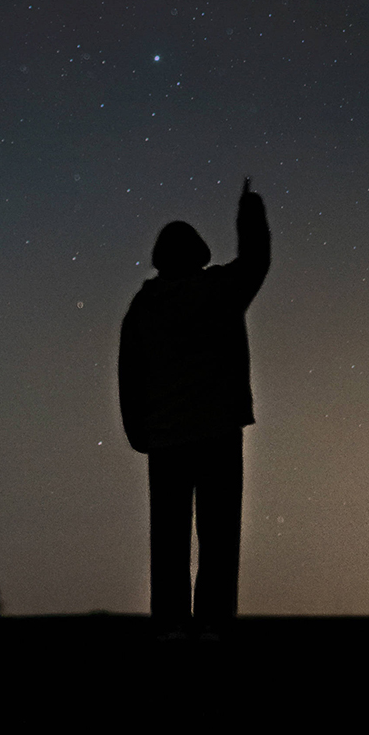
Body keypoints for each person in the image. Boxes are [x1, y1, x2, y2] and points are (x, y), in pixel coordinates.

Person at [118, 178, 271, 635]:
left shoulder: (143, 307)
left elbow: (129, 375)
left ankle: (170, 631)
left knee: (168, 546)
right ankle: (213, 631)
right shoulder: (220, 289)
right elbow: (257, 259)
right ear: (199, 253)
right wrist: (250, 211)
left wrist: (137, 433)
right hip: (219, 433)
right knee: (219, 544)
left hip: (166, 440)